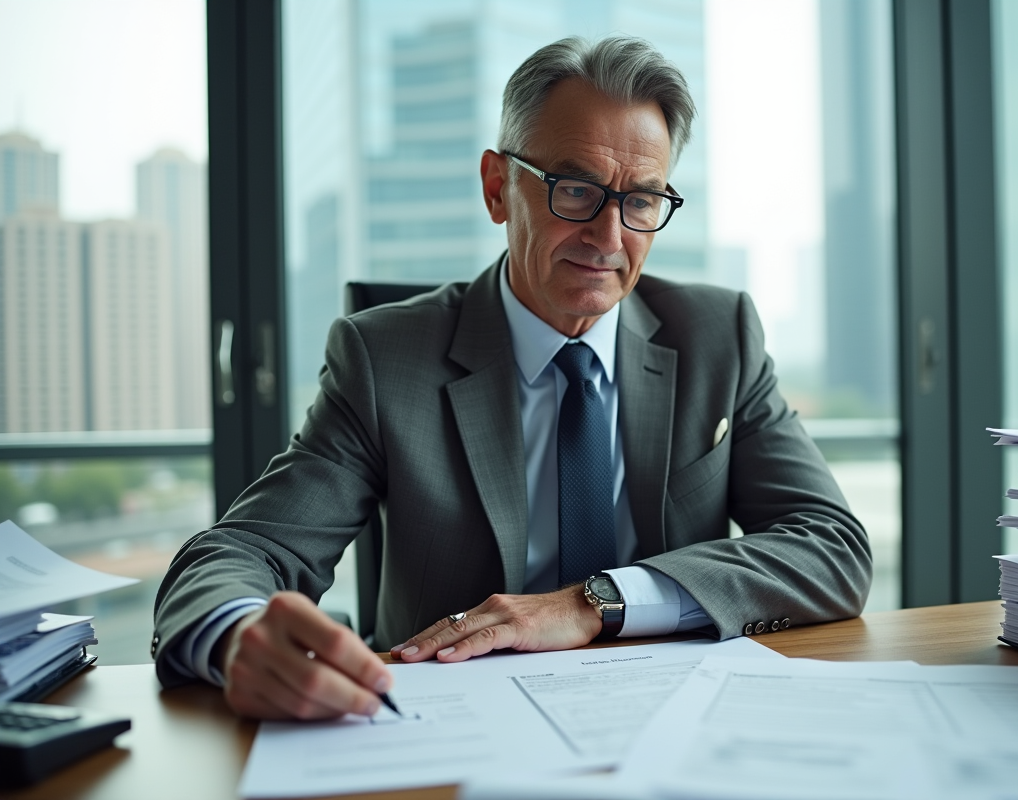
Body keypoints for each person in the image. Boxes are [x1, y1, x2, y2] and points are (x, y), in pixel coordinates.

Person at [152, 35, 871, 721]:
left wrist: (595, 603)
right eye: (576, 190)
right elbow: (245, 551)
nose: (609, 237)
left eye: (641, 199)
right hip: (450, 726)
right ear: (499, 188)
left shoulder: (719, 337)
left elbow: (831, 547)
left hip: (670, 718)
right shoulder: (384, 359)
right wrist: (238, 634)